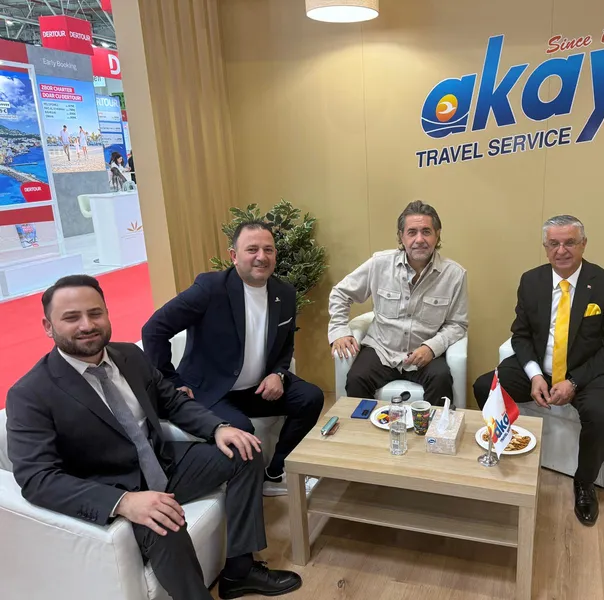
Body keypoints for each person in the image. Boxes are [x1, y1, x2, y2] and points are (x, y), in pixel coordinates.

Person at [5, 275, 302, 600]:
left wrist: (218, 428)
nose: (87, 325)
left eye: (95, 313)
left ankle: (239, 572)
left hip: (161, 462)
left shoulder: (129, 356)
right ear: (48, 327)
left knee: (245, 449)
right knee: (164, 520)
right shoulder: (30, 394)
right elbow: (37, 478)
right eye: (72, 317)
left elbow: (172, 401)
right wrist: (122, 502)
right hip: (112, 486)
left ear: (107, 313)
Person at [142, 220, 324, 496]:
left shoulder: (284, 293)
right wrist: (170, 381)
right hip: (210, 390)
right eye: (252, 249)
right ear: (234, 255)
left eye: (268, 249)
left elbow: (285, 344)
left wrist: (278, 373)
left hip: (255, 389)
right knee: (241, 429)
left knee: (311, 397)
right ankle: (246, 486)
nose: (261, 257)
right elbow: (154, 330)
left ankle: (275, 471)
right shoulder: (210, 288)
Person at [472, 215, 604, 527]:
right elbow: (520, 335)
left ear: (583, 244)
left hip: (586, 372)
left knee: (602, 414)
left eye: (570, 242)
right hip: (539, 368)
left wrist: (574, 381)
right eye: (553, 243)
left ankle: (585, 482)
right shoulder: (531, 281)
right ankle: (508, 447)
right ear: (545, 247)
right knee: (483, 386)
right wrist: (533, 374)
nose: (561, 250)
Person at [328, 200, 468, 407]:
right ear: (401, 236)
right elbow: (340, 293)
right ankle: (364, 428)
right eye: (412, 232)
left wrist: (431, 347)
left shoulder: (454, 275)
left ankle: (432, 429)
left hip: (424, 353)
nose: (419, 239)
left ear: (437, 235)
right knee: (356, 379)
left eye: (426, 232)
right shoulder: (379, 264)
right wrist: (340, 330)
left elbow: (457, 324)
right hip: (381, 349)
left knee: (441, 380)